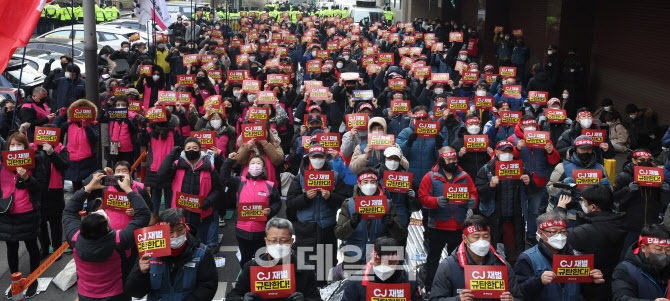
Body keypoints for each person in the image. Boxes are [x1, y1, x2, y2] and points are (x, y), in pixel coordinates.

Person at [63, 172, 150, 301]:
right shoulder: (119, 241)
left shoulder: (74, 239)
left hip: (85, 295)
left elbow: (69, 211)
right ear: (108, 228)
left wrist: (87, 188)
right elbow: (144, 214)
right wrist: (128, 190)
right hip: (117, 295)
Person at [418, 147, 478, 291]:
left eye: (454, 159)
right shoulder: (430, 177)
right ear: (441, 160)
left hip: (458, 226)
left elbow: (473, 193)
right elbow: (422, 197)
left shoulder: (465, 176)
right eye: (449, 159)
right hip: (437, 226)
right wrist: (436, 201)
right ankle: (430, 287)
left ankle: (454, 287)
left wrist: (472, 201)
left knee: (457, 260)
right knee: (433, 259)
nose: (452, 162)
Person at [125, 209, 219, 300]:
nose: (175, 236)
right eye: (170, 232)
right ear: (160, 232)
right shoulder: (148, 253)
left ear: (186, 227)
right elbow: (134, 292)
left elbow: (208, 286)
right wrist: (140, 273)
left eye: (180, 230)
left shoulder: (201, 252)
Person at [286, 144, 347, 283]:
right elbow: (290, 203)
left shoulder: (335, 177)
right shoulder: (300, 178)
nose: (317, 159)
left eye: (320, 156)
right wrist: (305, 198)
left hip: (327, 228)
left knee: (326, 266)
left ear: (325, 157)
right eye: (314, 156)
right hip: (306, 229)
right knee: (305, 265)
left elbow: (344, 201)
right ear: (309, 158)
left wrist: (330, 197)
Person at [554, 184, 626, 301]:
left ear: (593, 207)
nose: (582, 204)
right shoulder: (618, 222)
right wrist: (586, 217)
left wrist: (560, 210)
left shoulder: (586, 232)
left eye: (583, 202)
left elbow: (556, 238)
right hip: (608, 279)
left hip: (589, 284)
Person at [514, 212, 605, 300]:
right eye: (553, 232)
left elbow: (588, 294)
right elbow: (519, 293)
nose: (559, 236)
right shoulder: (527, 258)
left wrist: (594, 283)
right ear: (541, 233)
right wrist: (539, 281)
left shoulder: (577, 257)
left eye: (563, 231)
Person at [430, 215, 522, 301]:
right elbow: (435, 298)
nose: (482, 241)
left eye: (486, 236)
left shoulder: (502, 266)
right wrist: (457, 299)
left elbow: (518, 297)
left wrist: (512, 299)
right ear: (465, 239)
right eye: (476, 237)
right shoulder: (448, 266)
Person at [227, 217, 321, 301]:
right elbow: (232, 296)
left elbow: (316, 298)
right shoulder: (251, 268)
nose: (278, 245)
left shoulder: (306, 270)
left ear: (291, 242)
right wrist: (242, 299)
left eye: (284, 240)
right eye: (273, 240)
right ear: (266, 242)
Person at [0, 132, 46, 299]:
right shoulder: (2, 164)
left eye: (19, 144)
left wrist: (27, 178)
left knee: (31, 246)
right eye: (12, 145)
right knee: (11, 249)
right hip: (7, 213)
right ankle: (15, 281)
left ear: (25, 147)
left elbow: (41, 187)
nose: (15, 147)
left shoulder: (34, 163)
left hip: (27, 213)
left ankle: (33, 280)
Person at [476, 140, 537, 263]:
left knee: (514, 250)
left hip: (513, 218)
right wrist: (490, 185)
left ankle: (514, 273)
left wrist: (528, 182)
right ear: (497, 153)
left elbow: (533, 192)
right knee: (490, 249)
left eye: (510, 151)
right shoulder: (487, 170)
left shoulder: (521, 169)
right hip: (493, 217)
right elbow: (478, 193)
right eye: (504, 151)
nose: (507, 154)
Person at [157, 137, 222, 246]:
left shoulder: (209, 167)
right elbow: (161, 174)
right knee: (182, 244)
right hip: (180, 214)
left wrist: (208, 202)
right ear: (184, 150)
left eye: (194, 148)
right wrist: (171, 155)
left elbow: (218, 189)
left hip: (202, 214)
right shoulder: (177, 165)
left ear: (200, 150)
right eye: (188, 148)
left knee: (201, 244)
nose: (191, 150)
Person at [335, 167, 408, 264]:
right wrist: (351, 224)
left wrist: (392, 225)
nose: (369, 185)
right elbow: (339, 234)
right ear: (359, 184)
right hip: (354, 257)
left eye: (372, 181)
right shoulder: (349, 204)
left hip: (380, 258)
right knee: (353, 279)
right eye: (365, 182)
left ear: (377, 184)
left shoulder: (387, 204)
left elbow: (400, 235)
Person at [221, 151, 281, 266]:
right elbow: (224, 179)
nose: (255, 165)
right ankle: (246, 280)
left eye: (258, 163)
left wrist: (271, 210)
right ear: (248, 168)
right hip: (242, 230)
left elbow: (277, 203)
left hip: (261, 230)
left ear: (263, 168)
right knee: (245, 259)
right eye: (252, 163)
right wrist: (229, 161)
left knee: (262, 259)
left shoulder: (270, 185)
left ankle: (258, 280)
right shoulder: (240, 181)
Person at [507, 115, 560, 245]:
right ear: (521, 126)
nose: (529, 128)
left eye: (532, 125)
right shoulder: (512, 139)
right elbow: (505, 160)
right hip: (518, 182)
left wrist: (550, 151)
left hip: (538, 181)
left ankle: (531, 235)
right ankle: (517, 236)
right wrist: (517, 149)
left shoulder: (545, 139)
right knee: (518, 211)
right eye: (526, 126)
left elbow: (554, 160)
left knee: (534, 211)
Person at [614, 150, 670, 258]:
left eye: (649, 160)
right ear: (633, 160)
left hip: (651, 225)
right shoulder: (624, 176)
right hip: (630, 224)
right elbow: (615, 198)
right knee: (627, 253)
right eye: (642, 160)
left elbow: (663, 202)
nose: (646, 162)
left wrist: (666, 192)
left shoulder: (657, 176)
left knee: (649, 255)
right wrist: (627, 190)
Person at [342, 237, 421, 301]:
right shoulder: (356, 281)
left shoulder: (410, 282)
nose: (383, 268)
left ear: (397, 261)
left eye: (389, 263)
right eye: (378, 262)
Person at [140, 107, 181, 225]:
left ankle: (169, 215)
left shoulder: (174, 131)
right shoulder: (149, 130)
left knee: (169, 193)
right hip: (154, 167)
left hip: (170, 167)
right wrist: (142, 127)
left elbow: (179, 147)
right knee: (155, 194)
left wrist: (175, 163)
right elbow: (142, 142)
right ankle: (154, 214)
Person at [34, 126, 70, 259]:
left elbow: (65, 165)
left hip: (55, 190)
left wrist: (52, 153)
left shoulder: (61, 148)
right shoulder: (33, 148)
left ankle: (56, 248)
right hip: (38, 190)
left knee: (55, 221)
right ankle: (44, 246)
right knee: (40, 221)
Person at [612, 224, 670, 300]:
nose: (664, 254)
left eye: (668, 250)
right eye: (658, 249)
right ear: (643, 247)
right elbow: (621, 298)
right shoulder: (626, 270)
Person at [546, 135, 610, 204]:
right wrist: (562, 185)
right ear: (576, 150)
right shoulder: (562, 167)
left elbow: (609, 194)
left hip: (593, 210)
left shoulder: (600, 168)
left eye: (589, 149)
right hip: (569, 210)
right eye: (582, 149)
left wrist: (607, 188)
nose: (586, 152)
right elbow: (550, 190)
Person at [54, 99, 99, 193]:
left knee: (90, 185)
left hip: (88, 159)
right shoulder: (70, 123)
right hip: (72, 159)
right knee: (76, 186)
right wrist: (60, 116)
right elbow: (55, 129)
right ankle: (78, 205)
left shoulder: (94, 124)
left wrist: (87, 127)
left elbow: (94, 139)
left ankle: (90, 206)